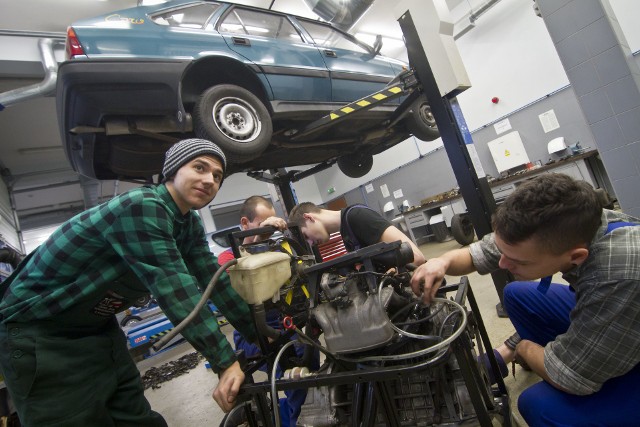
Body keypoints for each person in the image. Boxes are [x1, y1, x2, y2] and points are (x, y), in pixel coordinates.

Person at [0, 138, 258, 426]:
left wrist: (260, 332)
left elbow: (215, 280)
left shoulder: (188, 224)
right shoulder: (143, 206)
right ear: (172, 171)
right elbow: (175, 289)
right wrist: (224, 362)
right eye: (200, 167)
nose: (209, 180)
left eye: (217, 176)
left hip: (96, 328)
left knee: (136, 418)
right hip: (39, 331)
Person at [409, 173, 640, 426]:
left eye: (518, 261)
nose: (502, 263)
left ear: (576, 257)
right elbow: (480, 254)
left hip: (627, 330)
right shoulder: (573, 225)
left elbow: (572, 378)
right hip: (616, 311)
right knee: (516, 295)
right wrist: (441, 262)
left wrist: (524, 348)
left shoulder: (615, 276)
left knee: (539, 405)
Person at [218, 195, 318, 427]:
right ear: (245, 223)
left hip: (288, 324)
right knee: (294, 368)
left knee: (312, 368)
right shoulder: (228, 257)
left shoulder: (278, 249)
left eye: (272, 223)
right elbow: (236, 295)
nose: (269, 229)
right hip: (252, 332)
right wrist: (257, 237)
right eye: (263, 222)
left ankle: (293, 415)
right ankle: (295, 420)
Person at [287, 202, 426, 265]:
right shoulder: (347, 232)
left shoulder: (358, 216)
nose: (311, 243)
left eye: (306, 236)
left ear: (309, 217)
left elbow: (416, 256)